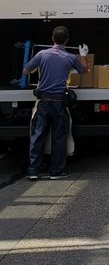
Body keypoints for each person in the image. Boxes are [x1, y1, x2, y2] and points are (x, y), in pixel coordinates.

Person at [23, 26, 89, 180]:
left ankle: (33, 170)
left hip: (43, 102)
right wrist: (83, 55)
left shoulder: (41, 54)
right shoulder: (70, 57)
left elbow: (26, 71)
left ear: (52, 38)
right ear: (67, 40)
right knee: (59, 136)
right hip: (59, 102)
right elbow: (84, 70)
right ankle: (56, 171)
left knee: (38, 135)